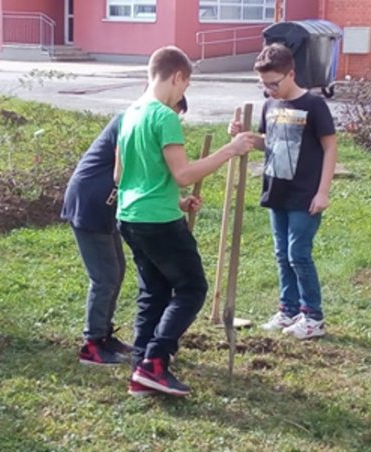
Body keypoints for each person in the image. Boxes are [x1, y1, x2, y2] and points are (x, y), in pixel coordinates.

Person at [115, 46, 256, 396]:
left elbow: (122, 176)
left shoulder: (129, 114)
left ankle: (140, 369)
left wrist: (175, 201)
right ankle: (156, 363)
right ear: (177, 76)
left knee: (155, 292)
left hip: (129, 216)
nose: (183, 95)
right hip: (159, 223)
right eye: (185, 86)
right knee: (192, 288)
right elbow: (183, 173)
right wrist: (231, 149)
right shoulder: (163, 116)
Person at [62, 97, 189, 367]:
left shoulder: (142, 121)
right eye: (175, 115)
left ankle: (104, 334)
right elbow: (135, 171)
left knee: (116, 271)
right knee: (104, 277)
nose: (173, 124)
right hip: (90, 203)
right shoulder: (130, 120)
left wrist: (179, 202)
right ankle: (92, 344)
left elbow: (143, 178)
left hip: (112, 206)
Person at [233, 43, 337, 340]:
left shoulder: (314, 106)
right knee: (282, 254)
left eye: (273, 84)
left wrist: (324, 191)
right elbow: (271, 142)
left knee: (298, 254)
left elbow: (330, 148)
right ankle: (288, 309)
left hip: (305, 194)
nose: (269, 90)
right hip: (277, 190)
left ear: (291, 74)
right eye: (263, 85)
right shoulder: (270, 105)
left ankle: (313, 317)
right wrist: (244, 137)